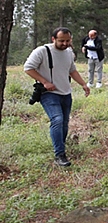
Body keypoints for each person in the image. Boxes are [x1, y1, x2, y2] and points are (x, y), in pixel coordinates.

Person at [24, 27, 91, 167]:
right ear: (53, 39)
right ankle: (59, 154)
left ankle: (61, 145)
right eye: (62, 41)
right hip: (49, 94)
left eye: (68, 41)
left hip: (65, 93)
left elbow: (72, 70)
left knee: (65, 122)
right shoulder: (42, 51)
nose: (65, 43)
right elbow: (28, 68)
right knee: (57, 119)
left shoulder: (69, 53)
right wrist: (45, 82)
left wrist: (83, 84)